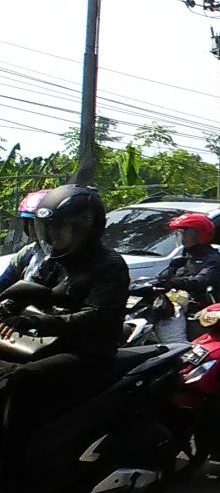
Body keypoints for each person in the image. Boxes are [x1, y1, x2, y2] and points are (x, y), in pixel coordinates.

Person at [0, 186, 129, 471]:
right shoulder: (57, 260)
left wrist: (38, 321)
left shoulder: (109, 265)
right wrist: (9, 307)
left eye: (60, 227)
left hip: (89, 349)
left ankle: (16, 460)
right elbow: (37, 293)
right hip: (49, 342)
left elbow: (96, 316)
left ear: (86, 227)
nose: (52, 235)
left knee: (24, 379)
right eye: (49, 227)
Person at [157, 212, 220, 310]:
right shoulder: (188, 256)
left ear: (199, 234)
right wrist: (169, 271)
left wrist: (174, 282)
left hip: (201, 310)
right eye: (181, 233)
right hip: (182, 307)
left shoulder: (211, 258)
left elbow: (201, 282)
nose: (183, 238)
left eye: (186, 233)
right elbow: (162, 279)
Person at [0, 189, 51, 293]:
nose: (33, 228)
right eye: (29, 223)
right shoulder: (28, 253)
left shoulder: (69, 256)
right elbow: (5, 280)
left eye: (37, 223)